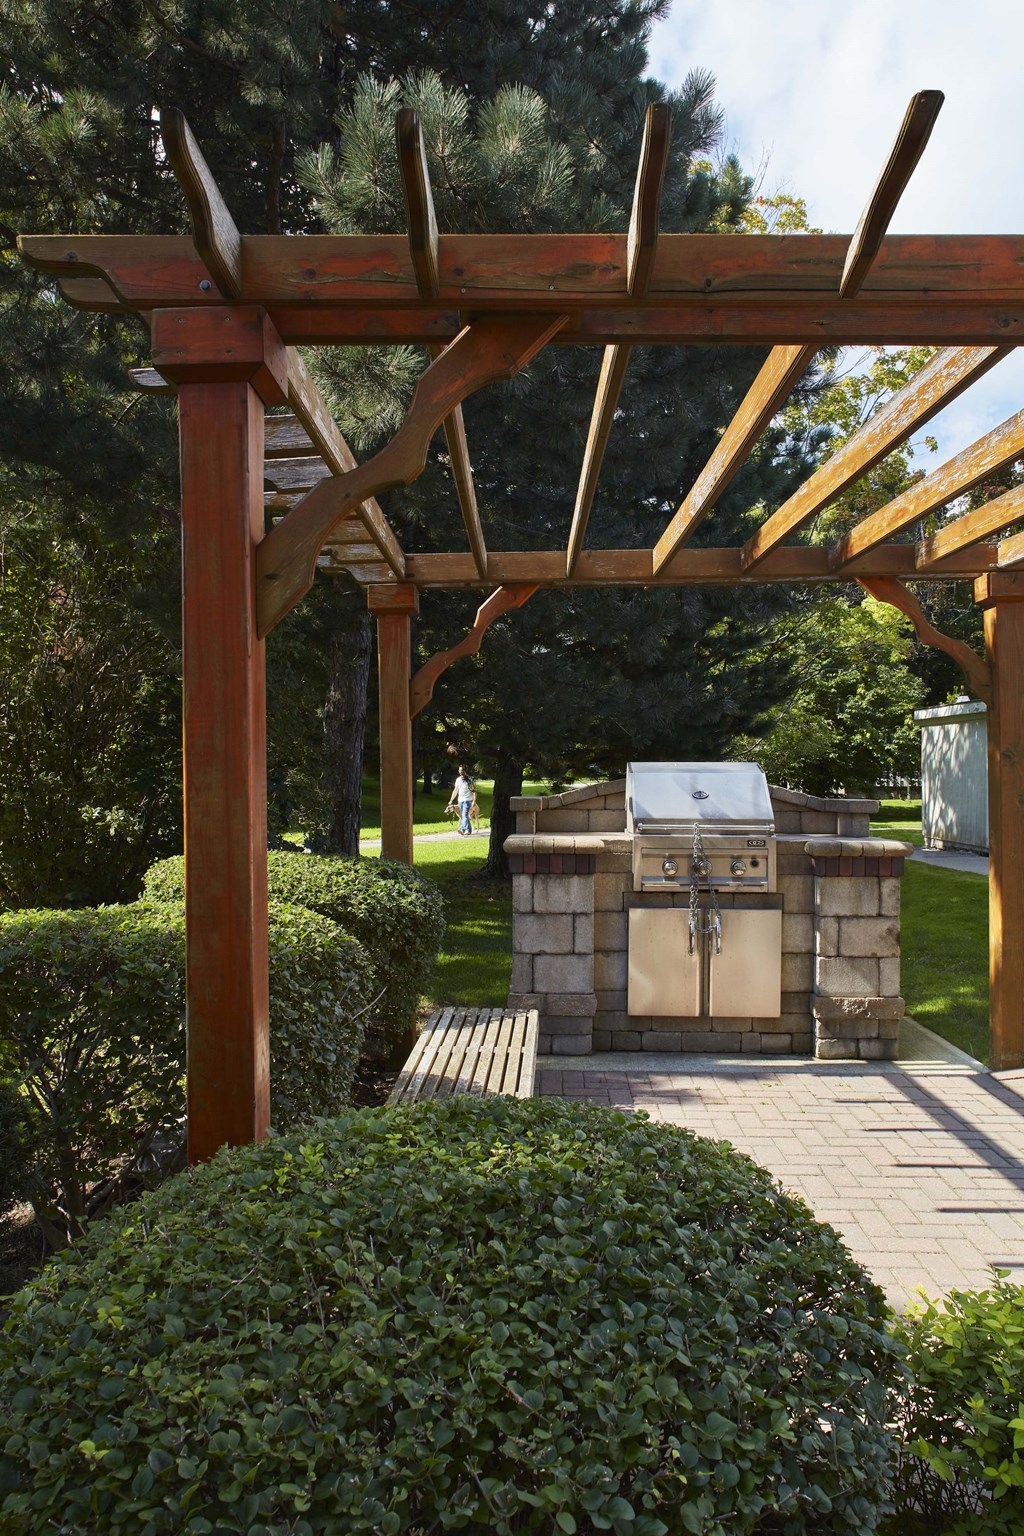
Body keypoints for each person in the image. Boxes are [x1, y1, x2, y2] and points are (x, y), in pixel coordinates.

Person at [446, 765, 476, 836]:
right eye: (459, 770)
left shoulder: (470, 779)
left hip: (468, 800)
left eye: (462, 770)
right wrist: (451, 800)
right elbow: (455, 790)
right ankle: (468, 830)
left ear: (465, 771)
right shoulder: (458, 779)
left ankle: (463, 829)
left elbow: (474, 791)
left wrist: (474, 800)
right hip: (460, 800)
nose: (460, 771)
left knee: (464, 814)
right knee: (464, 815)